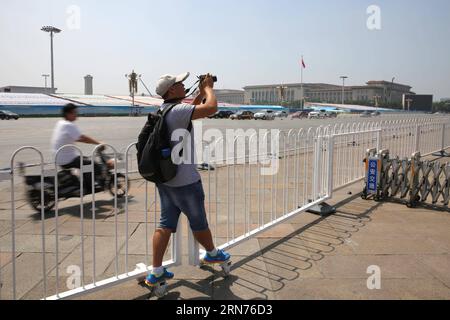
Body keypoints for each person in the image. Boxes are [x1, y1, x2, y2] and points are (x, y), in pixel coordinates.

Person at [144, 72, 231, 287]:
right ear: (171, 90)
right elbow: (211, 109)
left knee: (165, 224)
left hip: (166, 180)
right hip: (185, 181)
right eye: (180, 83)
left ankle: (156, 271)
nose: (184, 85)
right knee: (199, 222)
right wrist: (209, 89)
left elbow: (186, 112)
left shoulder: (164, 110)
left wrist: (200, 93)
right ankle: (212, 253)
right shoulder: (179, 111)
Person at [51, 103, 114, 190]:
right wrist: (98, 143)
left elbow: (77, 138)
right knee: (91, 164)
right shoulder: (68, 125)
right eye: (75, 112)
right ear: (68, 114)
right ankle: (89, 186)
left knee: (86, 160)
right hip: (67, 159)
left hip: (61, 156)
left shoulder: (61, 123)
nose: (77, 114)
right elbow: (82, 138)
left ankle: (84, 181)